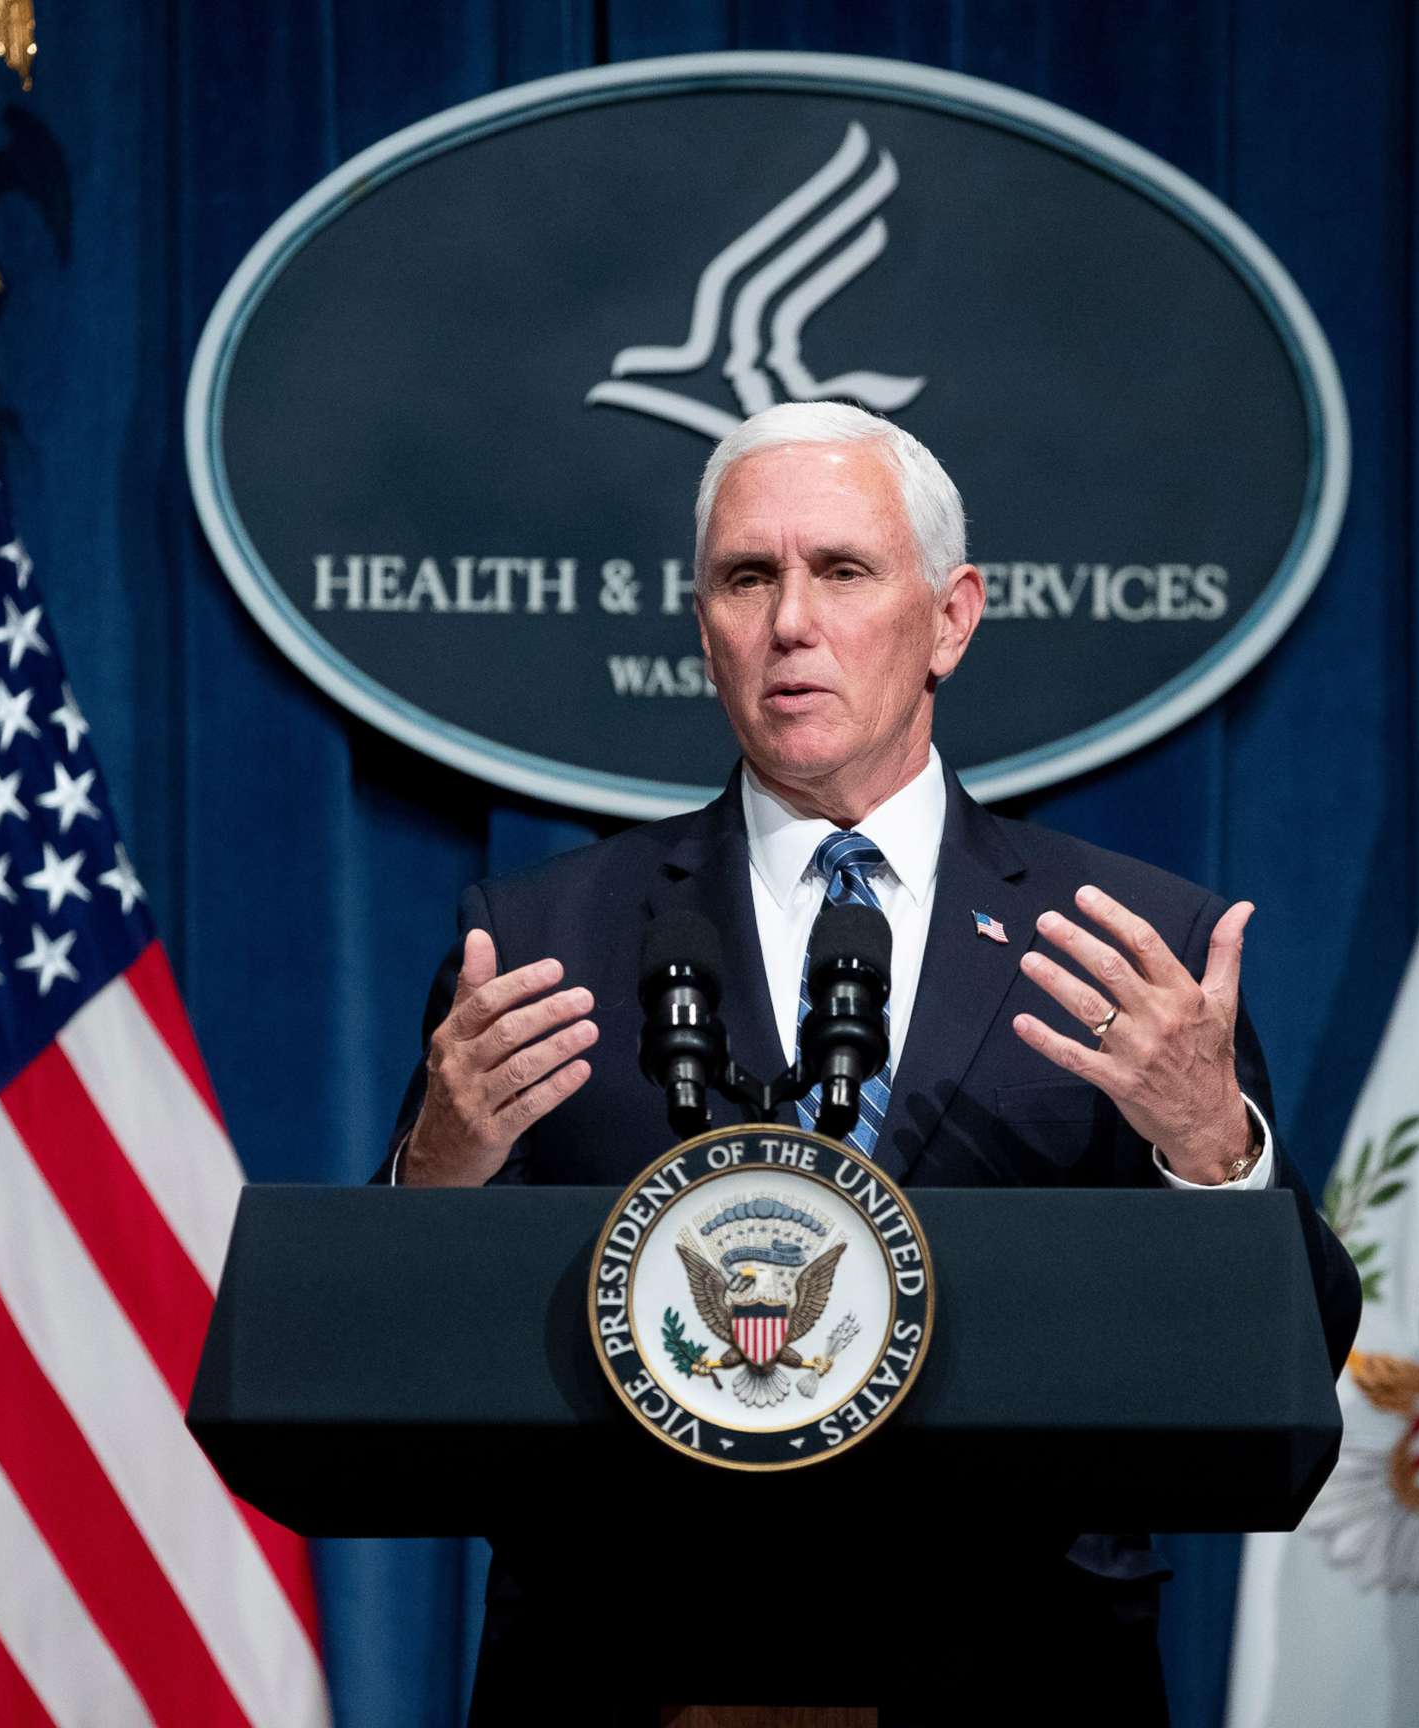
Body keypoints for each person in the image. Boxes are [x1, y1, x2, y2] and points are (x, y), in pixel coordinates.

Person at [377, 401, 1360, 1721]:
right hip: (632, 1666)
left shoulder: (1134, 945)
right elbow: (388, 1344)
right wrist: (436, 1172)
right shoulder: (544, 939)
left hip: (1016, 1670)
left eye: (842, 570)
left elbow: (1300, 1346)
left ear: (950, 617)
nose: (791, 622)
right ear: (703, 623)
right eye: (747, 577)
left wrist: (1212, 1152)